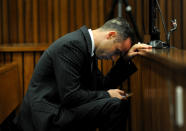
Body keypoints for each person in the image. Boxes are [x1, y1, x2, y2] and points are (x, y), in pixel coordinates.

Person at [14, 17, 151, 131]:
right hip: (47, 118)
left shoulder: (86, 47)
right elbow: (71, 96)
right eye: (117, 51)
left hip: (61, 109)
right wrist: (107, 94)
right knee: (115, 105)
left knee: (116, 103)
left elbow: (101, 85)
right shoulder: (72, 45)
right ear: (111, 35)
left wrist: (125, 60)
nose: (114, 58)